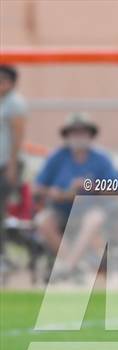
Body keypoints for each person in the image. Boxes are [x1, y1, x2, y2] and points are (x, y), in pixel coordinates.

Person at [33, 113, 118, 280]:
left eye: (83, 132)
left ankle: (68, 267)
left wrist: (90, 186)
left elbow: (116, 190)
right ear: (67, 136)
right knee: (42, 220)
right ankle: (73, 265)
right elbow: (37, 188)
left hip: (91, 208)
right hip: (61, 209)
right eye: (74, 132)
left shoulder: (101, 159)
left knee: (94, 219)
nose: (79, 136)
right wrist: (55, 192)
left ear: (90, 135)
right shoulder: (57, 157)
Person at [0, 65, 27, 275]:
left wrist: (12, 166)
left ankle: (2, 256)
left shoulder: (14, 103)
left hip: (6, 165)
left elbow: (17, 138)